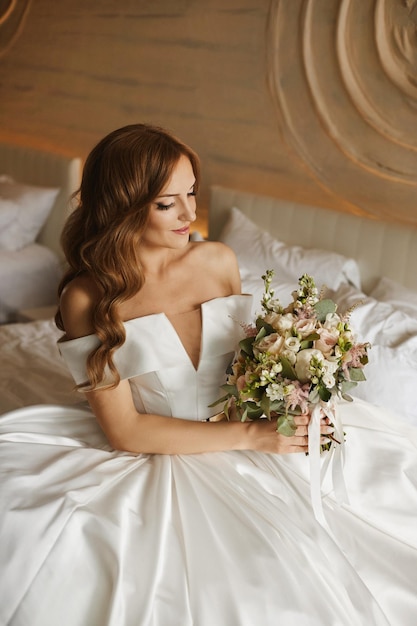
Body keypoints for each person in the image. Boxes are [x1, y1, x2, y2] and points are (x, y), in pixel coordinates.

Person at [0, 123, 416, 626]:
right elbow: (126, 430)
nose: (190, 214)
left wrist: (289, 391)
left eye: (192, 192)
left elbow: (242, 365)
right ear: (123, 205)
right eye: (166, 203)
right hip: (160, 446)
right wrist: (250, 437)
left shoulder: (217, 259)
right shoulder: (87, 297)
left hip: (253, 428)